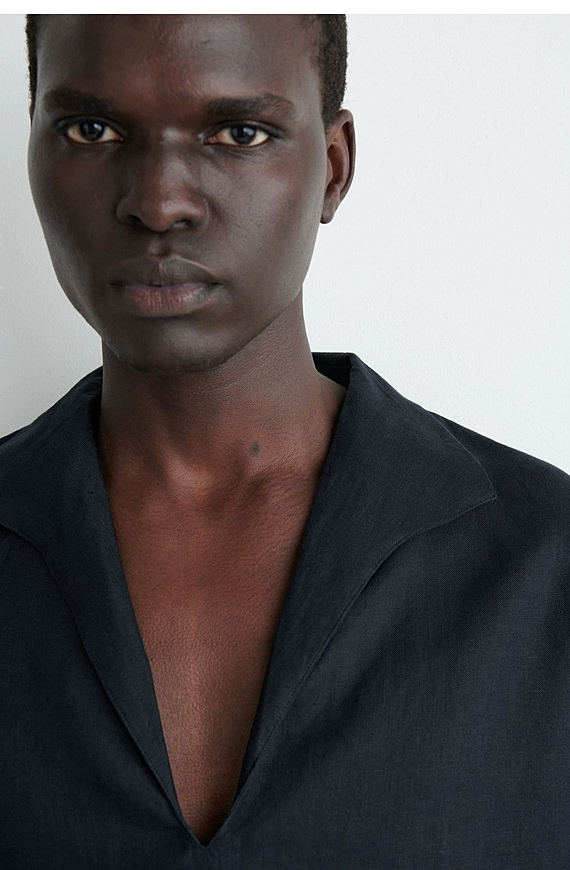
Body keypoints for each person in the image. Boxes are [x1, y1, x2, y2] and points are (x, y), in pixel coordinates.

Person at [1, 14, 568, 869]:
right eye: (91, 129)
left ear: (333, 167)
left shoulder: (546, 562)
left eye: (238, 133)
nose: (159, 203)